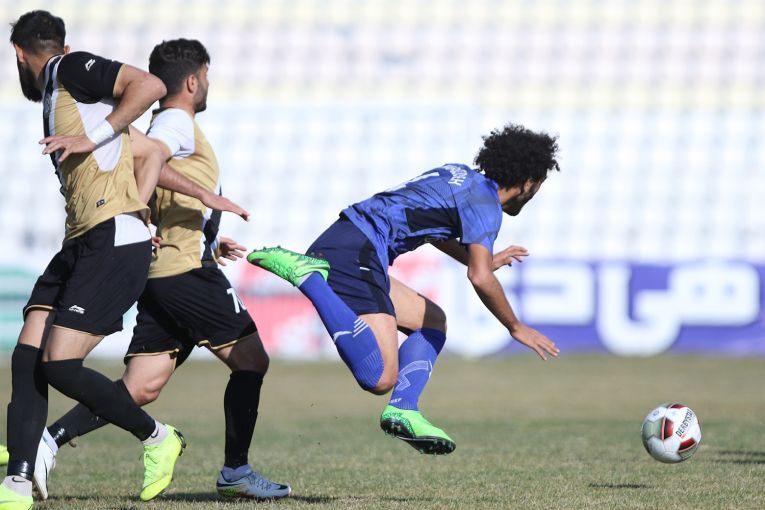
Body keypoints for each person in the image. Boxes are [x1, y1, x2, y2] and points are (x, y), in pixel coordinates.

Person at [32, 39, 290, 501]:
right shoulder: (175, 121)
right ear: (192, 80)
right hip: (183, 270)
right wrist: (143, 212)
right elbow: (149, 156)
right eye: (206, 77)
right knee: (252, 360)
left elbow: (150, 169)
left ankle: (47, 442)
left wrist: (205, 232)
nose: (207, 84)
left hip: (163, 270)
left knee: (140, 386)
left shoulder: (168, 123)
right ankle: (236, 471)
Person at [247, 123, 561, 455]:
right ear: (529, 182)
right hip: (357, 251)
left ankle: (403, 409)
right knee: (380, 376)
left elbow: (435, 232)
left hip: (349, 243)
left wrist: (483, 260)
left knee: (432, 321)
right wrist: (515, 326)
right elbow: (480, 278)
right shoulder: (486, 206)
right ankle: (309, 278)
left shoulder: (459, 175)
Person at [1, 11, 192, 509]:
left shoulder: (68, 69)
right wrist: (145, 203)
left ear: (19, 53)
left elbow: (150, 85)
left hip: (111, 242)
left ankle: (157, 437)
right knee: (28, 357)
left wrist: (93, 141)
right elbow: (149, 152)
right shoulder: (62, 96)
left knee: (60, 364)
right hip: (82, 241)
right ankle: (18, 482)